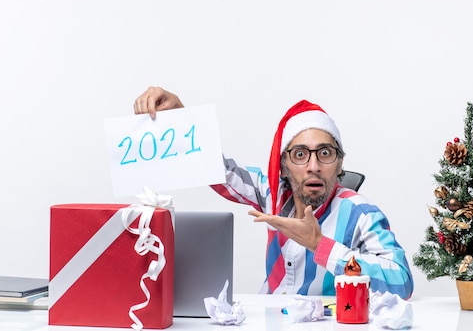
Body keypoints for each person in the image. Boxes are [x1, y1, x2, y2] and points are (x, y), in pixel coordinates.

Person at [133, 86, 414, 299]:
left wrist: (321, 245)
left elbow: (402, 281)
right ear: (282, 167)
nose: (313, 166)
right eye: (300, 154)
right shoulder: (272, 194)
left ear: (340, 164)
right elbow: (219, 171)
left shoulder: (361, 213)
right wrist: (182, 118)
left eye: (325, 153)